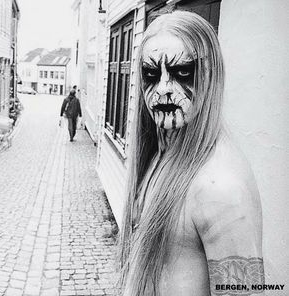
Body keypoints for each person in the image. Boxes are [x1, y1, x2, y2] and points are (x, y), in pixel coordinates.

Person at [118, 11, 264, 296]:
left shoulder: (221, 188)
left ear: (211, 76)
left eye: (182, 72)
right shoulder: (163, 150)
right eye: (151, 74)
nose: (163, 90)